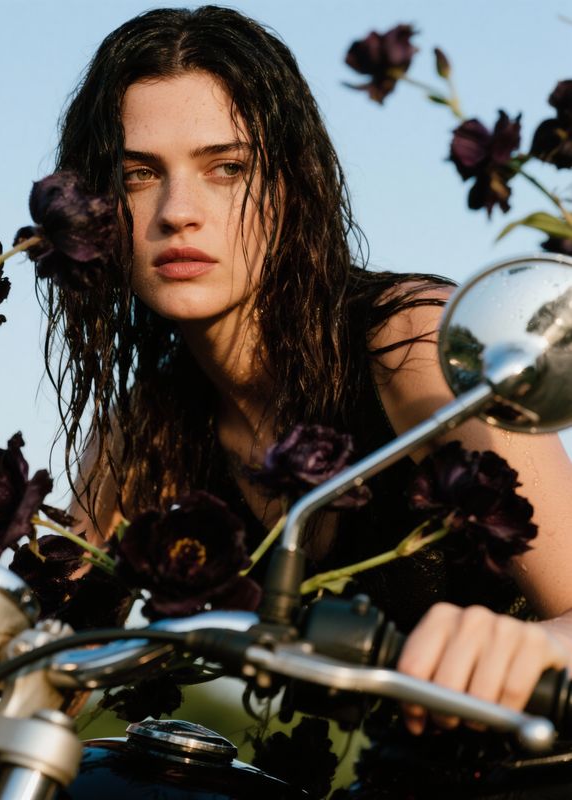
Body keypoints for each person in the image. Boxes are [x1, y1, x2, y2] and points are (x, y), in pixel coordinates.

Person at [45, 5, 572, 740]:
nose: (177, 212)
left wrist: (529, 649)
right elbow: (47, 656)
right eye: (139, 175)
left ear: (293, 186)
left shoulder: (410, 344)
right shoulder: (146, 429)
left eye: (227, 169)